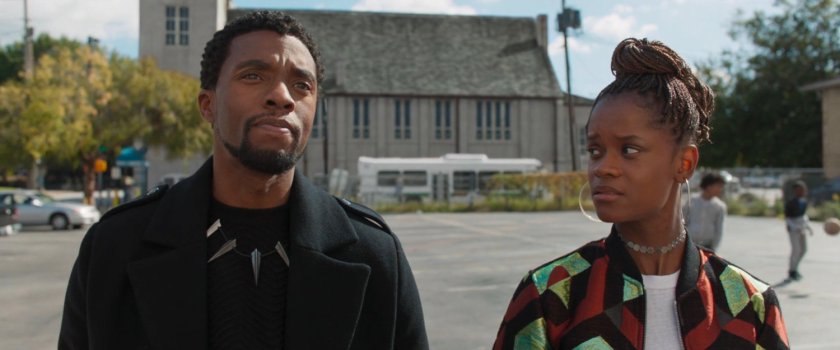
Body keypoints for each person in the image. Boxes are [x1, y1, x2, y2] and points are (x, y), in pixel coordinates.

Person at [59, 11, 428, 350]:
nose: (282, 97)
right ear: (208, 104)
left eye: (302, 85)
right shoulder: (115, 248)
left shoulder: (374, 255)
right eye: (253, 75)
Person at [492, 38, 788, 349]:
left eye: (629, 149)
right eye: (595, 150)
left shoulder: (749, 303)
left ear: (684, 163)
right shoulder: (550, 296)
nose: (602, 168)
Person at [683, 172, 727, 251]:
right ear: (709, 186)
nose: (720, 189)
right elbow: (683, 221)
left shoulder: (719, 206)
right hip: (689, 244)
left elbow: (719, 229)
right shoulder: (692, 201)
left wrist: (714, 248)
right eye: (718, 186)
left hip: (707, 246)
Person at [784, 180, 811, 281]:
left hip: (802, 228)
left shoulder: (803, 202)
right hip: (794, 229)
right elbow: (788, 219)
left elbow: (803, 216)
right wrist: (796, 227)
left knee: (803, 250)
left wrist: (807, 227)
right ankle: (792, 271)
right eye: (800, 190)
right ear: (795, 191)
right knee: (796, 250)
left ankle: (796, 268)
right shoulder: (790, 203)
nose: (802, 192)